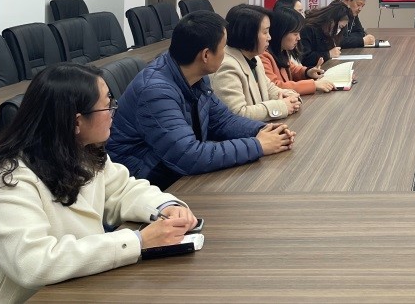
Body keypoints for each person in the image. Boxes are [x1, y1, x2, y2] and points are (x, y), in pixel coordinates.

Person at [0, 63, 197, 302]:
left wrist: (165, 207)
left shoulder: (82, 151)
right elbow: (34, 263)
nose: (113, 112)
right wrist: (138, 241)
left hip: (83, 285)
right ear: (76, 122)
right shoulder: (9, 180)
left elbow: (123, 190)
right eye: (106, 106)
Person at [108, 11, 295, 189]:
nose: (226, 53)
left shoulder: (195, 75)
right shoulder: (156, 92)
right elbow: (188, 156)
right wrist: (258, 145)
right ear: (206, 55)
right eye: (223, 48)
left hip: (170, 170)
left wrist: (264, 131)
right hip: (144, 180)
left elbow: (222, 120)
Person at [212, 5, 302, 120]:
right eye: (265, 32)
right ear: (248, 34)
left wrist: (289, 96)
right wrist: (281, 107)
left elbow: (269, 88)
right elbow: (237, 114)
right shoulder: (227, 66)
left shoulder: (254, 58)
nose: (269, 37)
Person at [261, 7, 335, 96]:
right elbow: (275, 87)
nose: (299, 38)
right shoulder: (263, 56)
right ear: (280, 32)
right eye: (295, 34)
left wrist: (307, 72)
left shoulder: (281, 51)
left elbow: (292, 69)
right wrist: (313, 84)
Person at [299, 2, 352, 68]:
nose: (339, 30)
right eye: (340, 27)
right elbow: (305, 58)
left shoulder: (327, 32)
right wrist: (328, 54)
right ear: (331, 21)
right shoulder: (308, 29)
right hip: (310, 70)